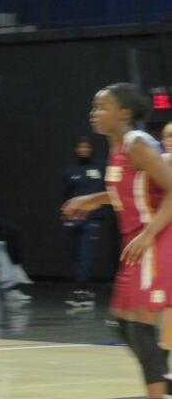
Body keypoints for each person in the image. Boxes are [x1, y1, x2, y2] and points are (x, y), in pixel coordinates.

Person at [62, 83, 172, 399]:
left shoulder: (137, 143)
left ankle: (158, 392)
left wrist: (148, 234)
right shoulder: (117, 146)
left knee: (139, 327)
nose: (94, 113)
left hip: (156, 240)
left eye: (101, 107)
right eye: (94, 107)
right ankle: (162, 384)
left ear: (123, 113)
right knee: (123, 325)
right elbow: (130, 190)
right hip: (139, 242)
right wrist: (93, 199)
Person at [63, 136, 106, 307]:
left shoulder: (99, 167)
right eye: (80, 147)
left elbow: (105, 191)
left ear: (90, 149)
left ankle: (82, 290)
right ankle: (83, 288)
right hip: (73, 219)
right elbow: (65, 194)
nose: (83, 150)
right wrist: (66, 213)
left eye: (86, 147)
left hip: (92, 219)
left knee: (85, 255)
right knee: (75, 255)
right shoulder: (70, 170)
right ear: (76, 149)